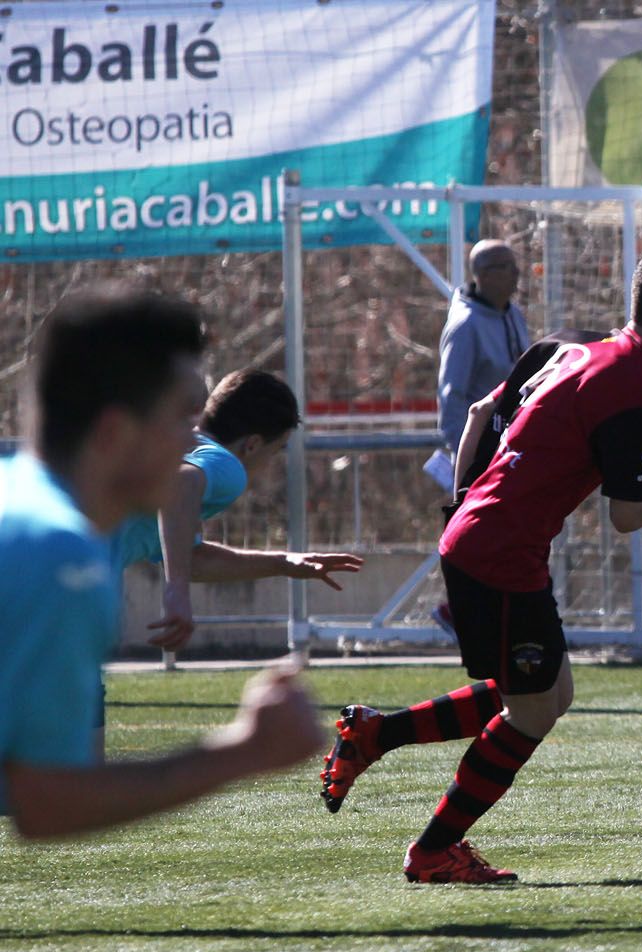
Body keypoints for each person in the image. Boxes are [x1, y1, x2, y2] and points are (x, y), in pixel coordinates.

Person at [318, 247, 642, 883]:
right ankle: (432, 851)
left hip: (491, 539)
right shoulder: (639, 391)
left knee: (549, 692)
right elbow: (627, 516)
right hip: (499, 552)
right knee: (531, 710)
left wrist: (462, 508)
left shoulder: (578, 348)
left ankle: (375, 734)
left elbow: (479, 415)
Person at [0, 288, 324, 841]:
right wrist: (245, 751)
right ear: (114, 433)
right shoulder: (59, 558)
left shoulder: (26, 506)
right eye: (180, 422)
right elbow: (47, 804)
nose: (193, 444)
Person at [116, 368, 365, 652]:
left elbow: (191, 560)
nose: (270, 463)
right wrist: (177, 591)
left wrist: (282, 563)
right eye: (276, 450)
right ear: (253, 445)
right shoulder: (226, 464)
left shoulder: (180, 447)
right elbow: (181, 484)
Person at [426, 239, 531, 490]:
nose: (516, 273)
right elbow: (452, 399)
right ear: (484, 274)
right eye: (507, 266)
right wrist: (469, 465)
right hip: (484, 462)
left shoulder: (513, 314)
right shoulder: (466, 326)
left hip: (512, 452)